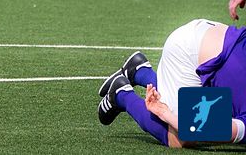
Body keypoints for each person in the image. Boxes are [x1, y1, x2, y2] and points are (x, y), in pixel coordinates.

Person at [97, 19, 246, 148]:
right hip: (186, 52)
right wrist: (165, 113)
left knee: (223, 112)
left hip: (212, 36)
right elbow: (198, 129)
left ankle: (140, 72)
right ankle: (121, 94)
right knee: (181, 139)